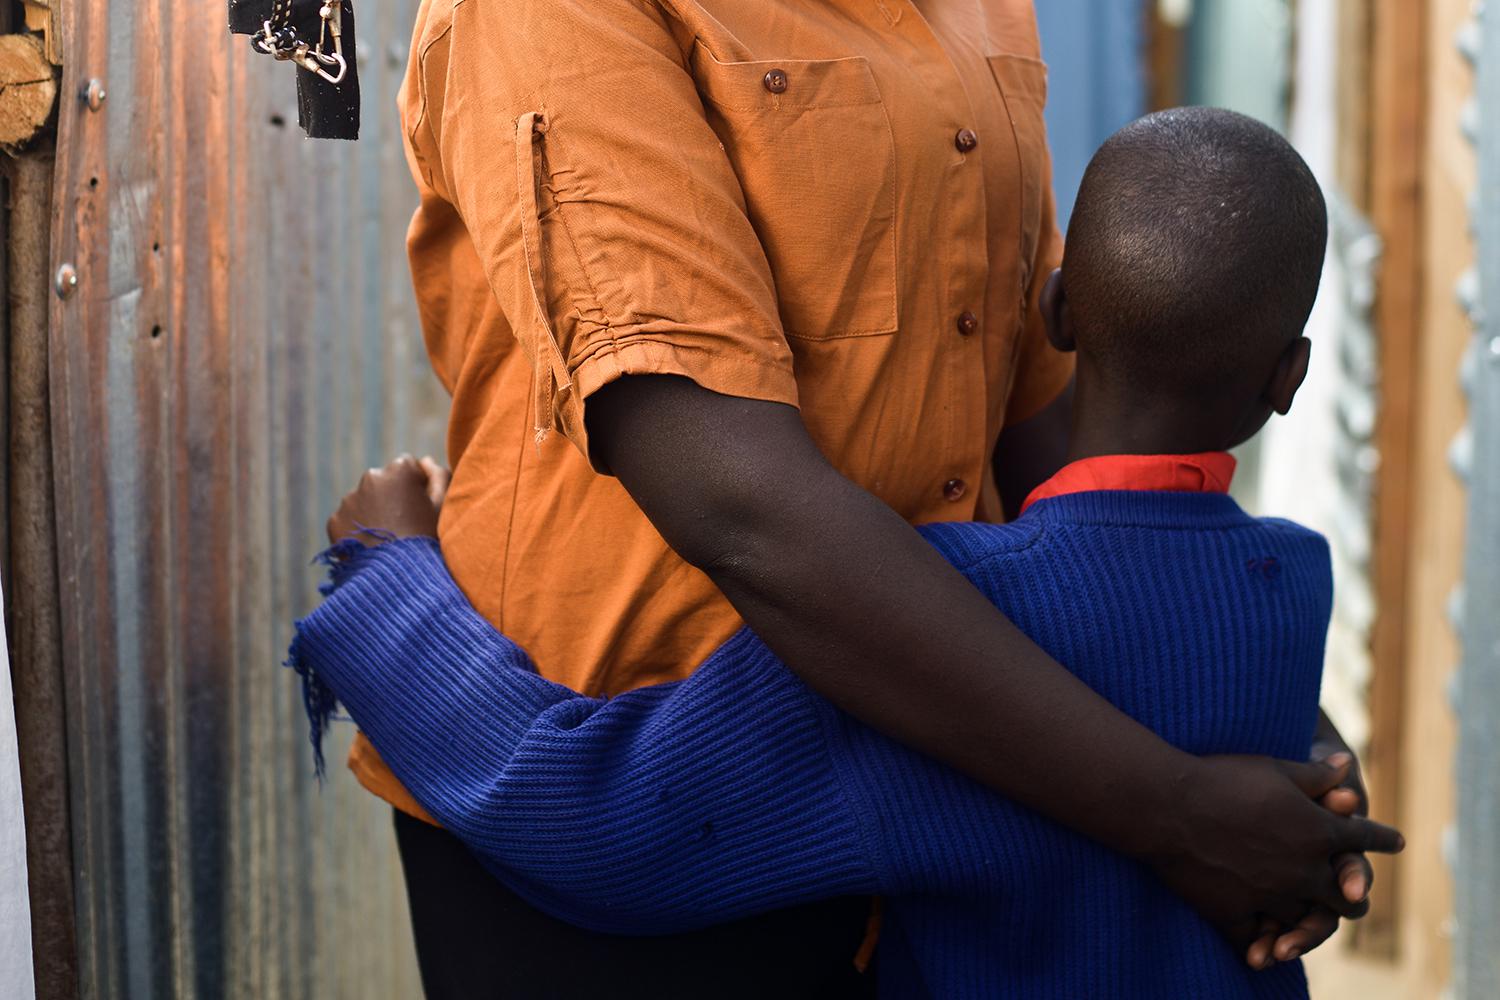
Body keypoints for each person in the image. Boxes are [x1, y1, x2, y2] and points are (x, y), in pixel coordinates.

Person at [295, 108, 1403, 999]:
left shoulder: (940, 624)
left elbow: (593, 819)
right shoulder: (1290, 590)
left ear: (1056, 314)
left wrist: (390, 580)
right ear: (1290, 378)